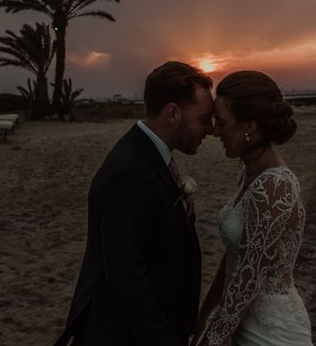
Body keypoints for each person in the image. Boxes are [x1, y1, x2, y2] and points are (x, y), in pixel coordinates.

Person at [55, 61, 214, 346]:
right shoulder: (129, 171)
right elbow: (127, 279)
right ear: (173, 113)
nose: (210, 129)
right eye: (204, 119)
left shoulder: (149, 155)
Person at [193, 71, 312, 346]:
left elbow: (249, 278)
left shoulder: (274, 187)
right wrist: (204, 312)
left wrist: (211, 340)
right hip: (240, 320)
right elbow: (237, 255)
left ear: (251, 126)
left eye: (221, 122)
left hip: (271, 333)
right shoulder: (249, 175)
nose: (213, 130)